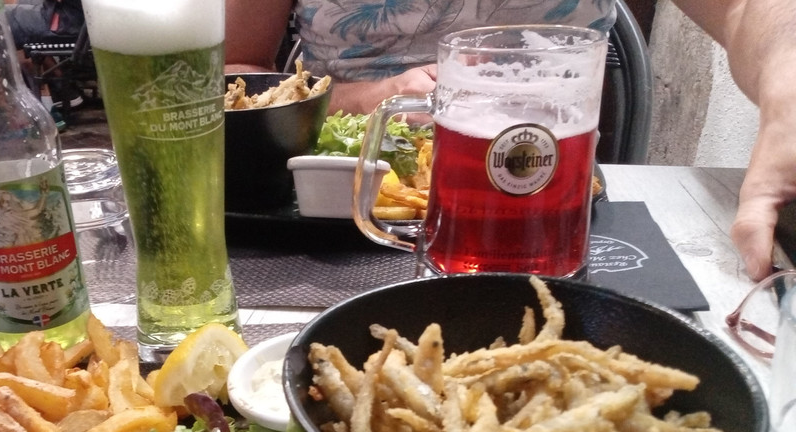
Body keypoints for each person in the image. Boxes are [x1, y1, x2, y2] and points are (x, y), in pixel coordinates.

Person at [226, 0, 796, 283]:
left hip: (550, 222)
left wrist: (788, 85)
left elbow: (750, 9)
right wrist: (370, 96)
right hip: (323, 223)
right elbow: (235, 69)